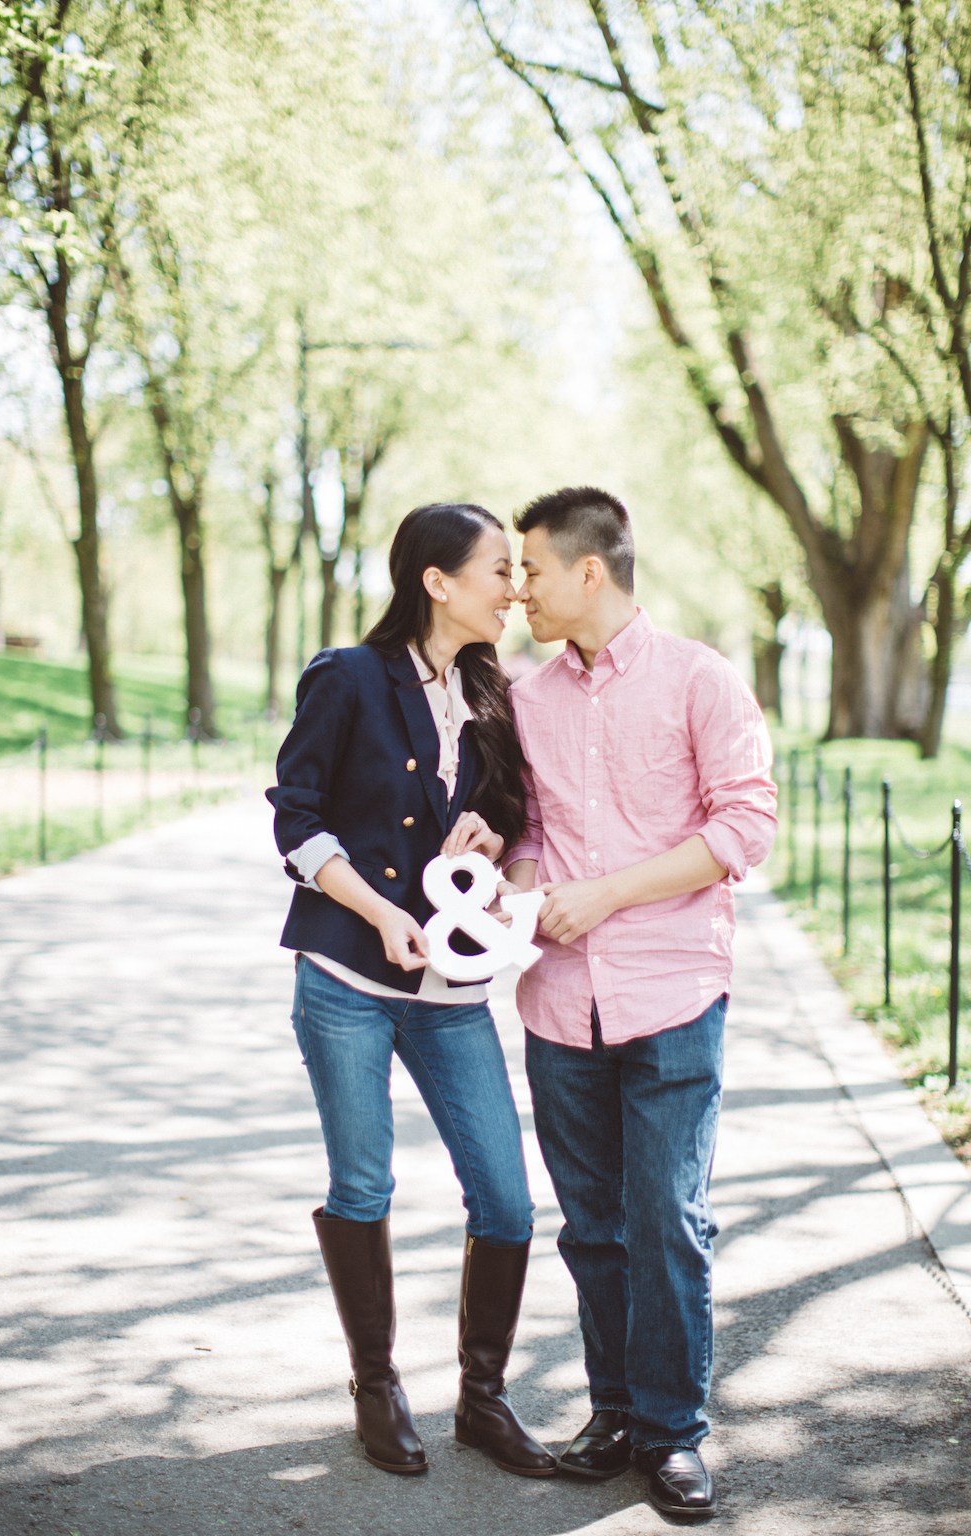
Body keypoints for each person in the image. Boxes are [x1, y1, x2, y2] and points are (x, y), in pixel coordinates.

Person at [502, 486, 777, 1519]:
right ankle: (613, 1411)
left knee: (667, 1218)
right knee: (593, 1224)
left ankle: (671, 1434)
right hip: (558, 1004)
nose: (516, 588)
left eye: (530, 569)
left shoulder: (701, 680)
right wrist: (524, 877)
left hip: (671, 989)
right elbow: (523, 825)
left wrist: (606, 894)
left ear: (589, 571)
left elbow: (745, 826)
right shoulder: (525, 699)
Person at [266, 502, 556, 1481]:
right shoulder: (346, 677)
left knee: (508, 1203)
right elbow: (295, 817)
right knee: (363, 1184)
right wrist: (377, 911)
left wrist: (487, 847)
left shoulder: (494, 692)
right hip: (347, 972)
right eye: (495, 570)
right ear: (435, 582)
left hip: (449, 988)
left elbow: (515, 831)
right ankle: (377, 1388)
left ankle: (482, 1400)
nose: (512, 588)